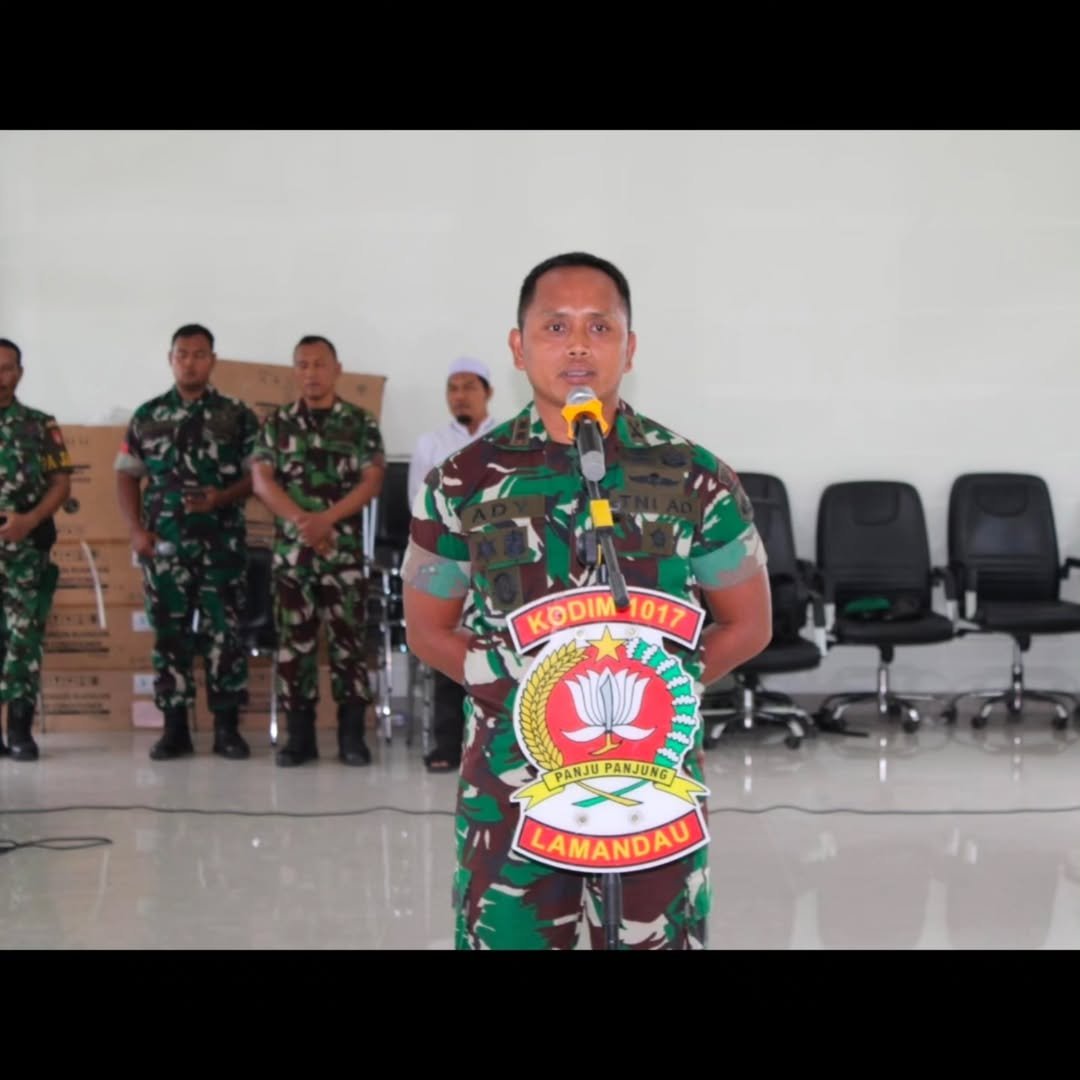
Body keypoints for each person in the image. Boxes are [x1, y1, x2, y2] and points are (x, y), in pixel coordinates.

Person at [402, 252, 773, 950]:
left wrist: (661, 695)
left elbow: (748, 623)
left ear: (629, 349)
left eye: (600, 327)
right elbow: (427, 628)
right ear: (518, 347)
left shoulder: (694, 477)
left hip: (651, 792)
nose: (578, 345)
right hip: (511, 789)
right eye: (555, 326)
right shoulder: (460, 483)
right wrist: (528, 698)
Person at [115, 324, 260, 762]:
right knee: (169, 635)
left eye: (199, 355)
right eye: (182, 355)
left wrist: (222, 497)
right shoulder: (148, 415)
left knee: (225, 635)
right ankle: (174, 729)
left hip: (221, 545)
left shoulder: (237, 415)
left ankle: (227, 729)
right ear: (171, 359)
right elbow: (126, 475)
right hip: (165, 546)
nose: (190, 363)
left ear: (212, 360)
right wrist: (136, 531)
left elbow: (258, 476)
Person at [251, 334, 386, 768]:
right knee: (295, 647)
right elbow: (261, 481)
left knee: (349, 645)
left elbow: (372, 480)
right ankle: (299, 738)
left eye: (319, 364)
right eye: (303, 365)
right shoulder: (277, 424)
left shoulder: (359, 423)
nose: (311, 373)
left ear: (337, 369)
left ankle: (352, 737)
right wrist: (302, 521)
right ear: (295, 372)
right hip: (294, 557)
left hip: (343, 555)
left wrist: (326, 519)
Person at [407, 356, 497, 774]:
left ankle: (493, 743)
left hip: (498, 558)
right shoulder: (431, 444)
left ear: (487, 392)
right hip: (447, 557)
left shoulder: (508, 440)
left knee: (495, 648)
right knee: (446, 641)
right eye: (453, 388)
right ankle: (447, 742)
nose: (460, 396)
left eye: (468, 387)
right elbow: (419, 505)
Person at [0, 338, 73, 761]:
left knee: (24, 640)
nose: (0, 377)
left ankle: (20, 730)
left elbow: (61, 484)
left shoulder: (40, 426)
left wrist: (28, 521)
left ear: (20, 373)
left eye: (7, 368)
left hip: (25, 552)